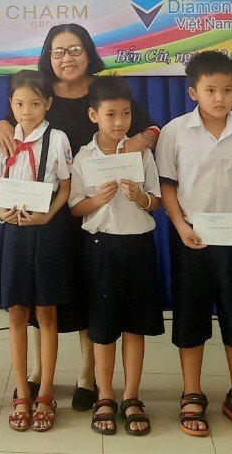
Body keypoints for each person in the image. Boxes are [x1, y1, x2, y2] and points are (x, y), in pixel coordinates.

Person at [0, 23, 159, 412]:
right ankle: (38, 373)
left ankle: (88, 375)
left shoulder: (106, 90)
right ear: (47, 56)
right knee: (42, 296)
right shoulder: (39, 89)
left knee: (89, 293)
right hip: (46, 213)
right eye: (58, 51)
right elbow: (12, 123)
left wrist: (142, 140)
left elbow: (150, 127)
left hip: (94, 214)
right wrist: (1, 124)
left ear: (88, 52)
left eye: (74, 49)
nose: (66, 58)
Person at [155, 50, 232, 438]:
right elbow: (167, 186)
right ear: (193, 92)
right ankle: (192, 392)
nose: (220, 98)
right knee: (190, 315)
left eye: (227, 90)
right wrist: (179, 225)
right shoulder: (175, 132)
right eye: (210, 90)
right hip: (193, 239)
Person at [68, 76, 163, 437]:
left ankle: (132, 396)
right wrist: (97, 200)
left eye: (125, 114)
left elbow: (155, 202)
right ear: (94, 115)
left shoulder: (141, 154)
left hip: (138, 245)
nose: (119, 121)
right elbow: (76, 208)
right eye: (110, 114)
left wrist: (141, 198)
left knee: (134, 326)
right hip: (100, 248)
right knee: (103, 327)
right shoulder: (84, 156)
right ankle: (105, 395)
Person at [0, 70, 74, 433]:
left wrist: (47, 215)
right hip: (12, 235)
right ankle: (22, 391)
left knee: (46, 312)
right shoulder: (4, 139)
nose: (27, 111)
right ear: (11, 105)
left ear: (48, 104)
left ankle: (46, 391)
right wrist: (0, 211)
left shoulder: (58, 138)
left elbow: (66, 187)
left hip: (46, 232)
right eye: (19, 104)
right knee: (17, 311)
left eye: (35, 104)